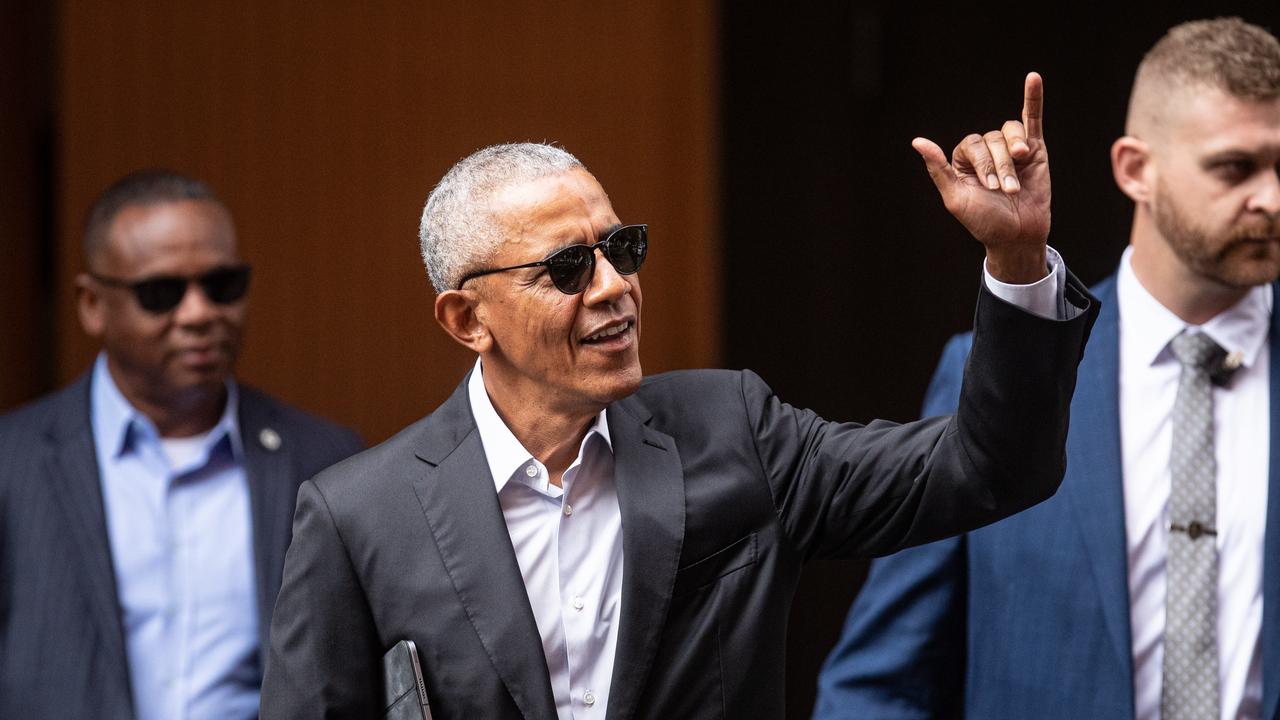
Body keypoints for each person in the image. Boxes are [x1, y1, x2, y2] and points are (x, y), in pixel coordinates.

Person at [261, 73, 1097, 719]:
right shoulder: (359, 516)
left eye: (621, 248)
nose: (617, 287)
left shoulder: (732, 430)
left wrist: (1018, 263)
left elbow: (991, 469)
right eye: (566, 268)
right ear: (466, 319)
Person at [814, 17, 1280, 720]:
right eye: (1234, 168)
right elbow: (883, 681)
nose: (1271, 198)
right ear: (1135, 169)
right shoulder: (997, 372)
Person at [0, 170, 365, 720]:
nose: (199, 314)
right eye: (161, 293)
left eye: (222, 286)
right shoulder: (14, 462)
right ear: (92, 304)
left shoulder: (324, 461)